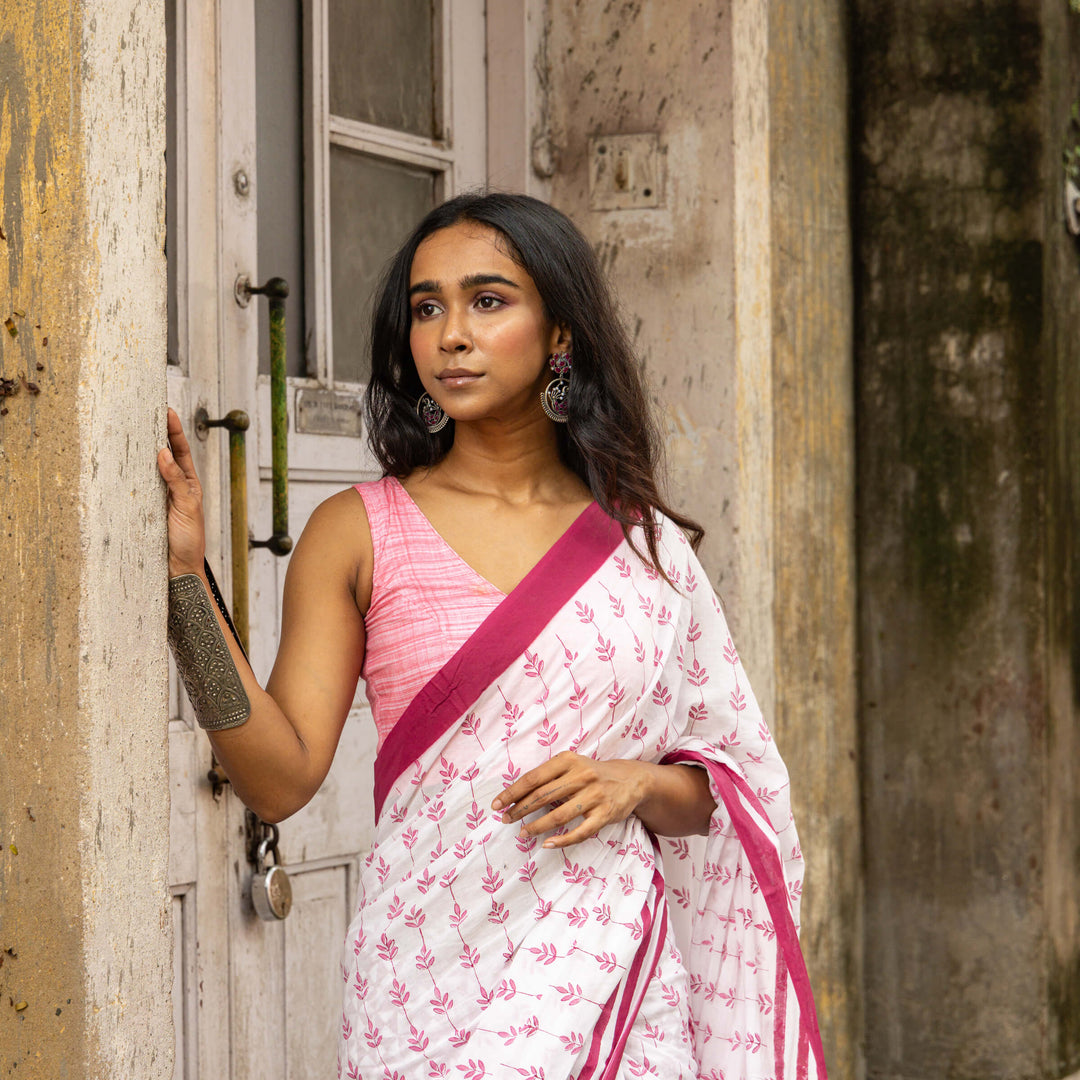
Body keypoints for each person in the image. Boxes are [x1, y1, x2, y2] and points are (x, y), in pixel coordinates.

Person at [160, 192, 826, 1079]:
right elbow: (277, 783)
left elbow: (737, 795)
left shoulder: (643, 548)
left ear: (560, 335)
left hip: (610, 972)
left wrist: (636, 784)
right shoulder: (359, 531)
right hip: (423, 981)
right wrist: (184, 584)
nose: (449, 335)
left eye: (488, 300)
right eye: (427, 307)